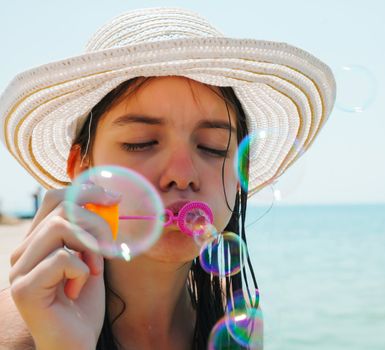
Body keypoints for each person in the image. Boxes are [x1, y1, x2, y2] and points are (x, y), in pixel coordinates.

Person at [0, 7, 335, 350]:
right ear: (82, 168)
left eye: (213, 147)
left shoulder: (233, 317)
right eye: (140, 142)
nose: (182, 175)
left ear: (239, 176)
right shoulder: (20, 329)